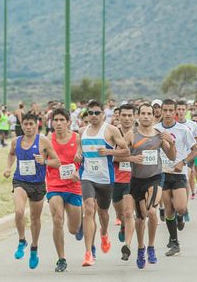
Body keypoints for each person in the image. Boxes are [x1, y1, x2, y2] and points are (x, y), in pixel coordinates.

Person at [3, 113, 60, 270]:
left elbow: (57, 162)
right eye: (25, 124)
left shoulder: (43, 141)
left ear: (37, 125)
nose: (28, 127)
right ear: (22, 125)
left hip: (38, 184)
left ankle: (34, 248)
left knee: (35, 219)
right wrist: (8, 168)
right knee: (19, 211)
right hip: (20, 181)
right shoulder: (16, 141)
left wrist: (45, 161)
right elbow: (11, 154)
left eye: (31, 124)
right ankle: (22, 240)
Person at [77, 100, 128, 266]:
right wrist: (78, 157)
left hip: (105, 179)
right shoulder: (82, 131)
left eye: (96, 113)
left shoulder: (111, 130)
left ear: (103, 114)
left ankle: (104, 234)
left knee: (103, 213)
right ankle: (88, 253)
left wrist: (109, 151)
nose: (93, 116)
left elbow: (125, 150)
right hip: (87, 176)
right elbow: (79, 154)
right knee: (89, 209)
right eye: (90, 113)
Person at [126, 103, 175, 269]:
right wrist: (131, 158)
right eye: (143, 113)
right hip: (137, 180)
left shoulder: (159, 135)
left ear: (153, 116)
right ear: (138, 116)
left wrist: (172, 143)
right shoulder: (130, 136)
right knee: (140, 219)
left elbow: (171, 155)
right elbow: (118, 157)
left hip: (155, 177)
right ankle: (141, 248)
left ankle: (152, 247)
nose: (146, 116)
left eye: (149, 113)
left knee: (152, 211)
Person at [155, 99, 197, 258]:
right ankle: (174, 242)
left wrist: (183, 162)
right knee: (168, 209)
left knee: (180, 208)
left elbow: (196, 150)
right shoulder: (156, 129)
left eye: (169, 110)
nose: (166, 113)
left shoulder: (183, 130)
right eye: (164, 110)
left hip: (179, 173)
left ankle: (181, 217)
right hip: (162, 173)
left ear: (174, 112)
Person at [45, 108, 82, 273]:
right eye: (56, 120)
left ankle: (79, 225)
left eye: (62, 120)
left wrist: (78, 172)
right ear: (52, 122)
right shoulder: (47, 140)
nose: (58, 123)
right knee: (57, 220)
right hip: (54, 185)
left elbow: (84, 160)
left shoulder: (77, 138)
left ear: (68, 122)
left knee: (73, 229)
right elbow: (41, 160)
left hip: (73, 186)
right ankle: (61, 259)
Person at [112, 104, 136, 261]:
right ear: (118, 116)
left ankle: (127, 246)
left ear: (134, 116)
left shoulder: (139, 134)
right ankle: (122, 224)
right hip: (114, 178)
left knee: (129, 213)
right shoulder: (112, 133)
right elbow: (110, 156)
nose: (127, 118)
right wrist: (130, 158)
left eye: (130, 115)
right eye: (124, 115)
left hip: (132, 179)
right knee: (120, 213)